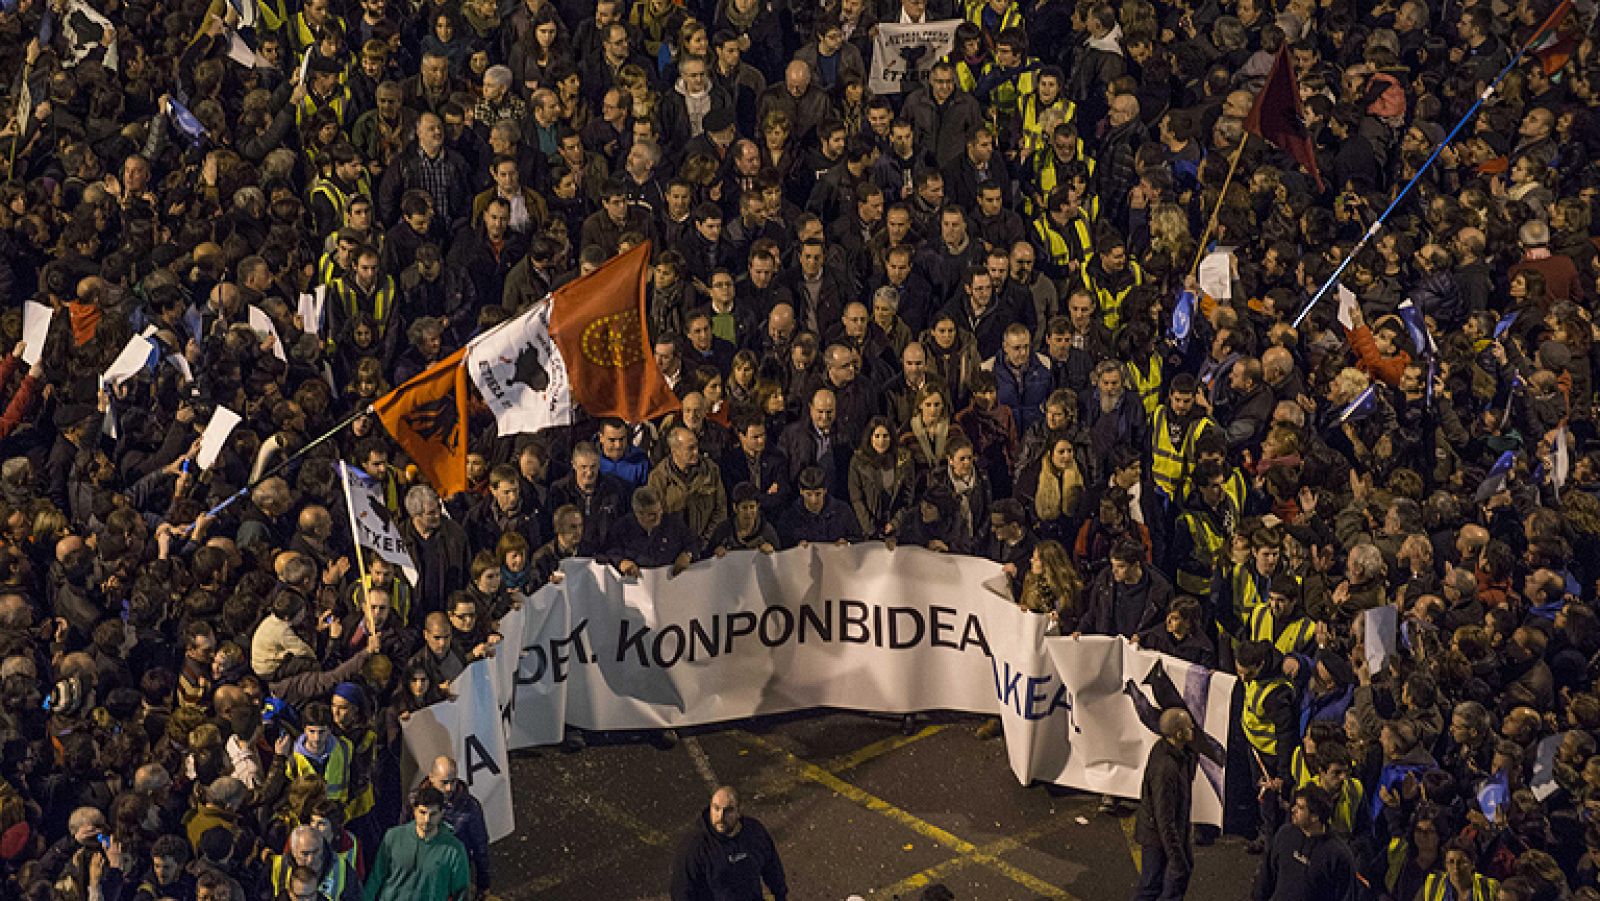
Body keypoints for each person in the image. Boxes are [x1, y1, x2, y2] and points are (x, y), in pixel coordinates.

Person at [670, 786, 787, 901]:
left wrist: (780, 894)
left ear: (739, 811)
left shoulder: (754, 833)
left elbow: (772, 868)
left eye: (728, 810)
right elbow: (682, 891)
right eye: (716, 808)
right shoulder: (694, 846)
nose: (720, 817)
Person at [1133, 708, 1199, 901]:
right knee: (1154, 887)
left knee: (1160, 882)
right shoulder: (1166, 769)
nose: (1193, 728)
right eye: (1188, 727)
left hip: (1169, 831)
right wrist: (1176, 857)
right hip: (1159, 837)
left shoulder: (1172, 752)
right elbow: (1165, 818)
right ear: (1178, 734)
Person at [363, 786, 472, 901]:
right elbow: (375, 878)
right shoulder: (393, 837)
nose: (427, 819)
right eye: (422, 812)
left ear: (442, 813)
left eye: (433, 814)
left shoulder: (454, 849)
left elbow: (461, 893)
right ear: (414, 810)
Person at [1250, 786, 1357, 901]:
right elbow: (1267, 876)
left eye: (1300, 807)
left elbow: (1344, 896)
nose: (1293, 810)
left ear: (1315, 816)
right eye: (1295, 805)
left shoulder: (1338, 855)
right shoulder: (1285, 834)